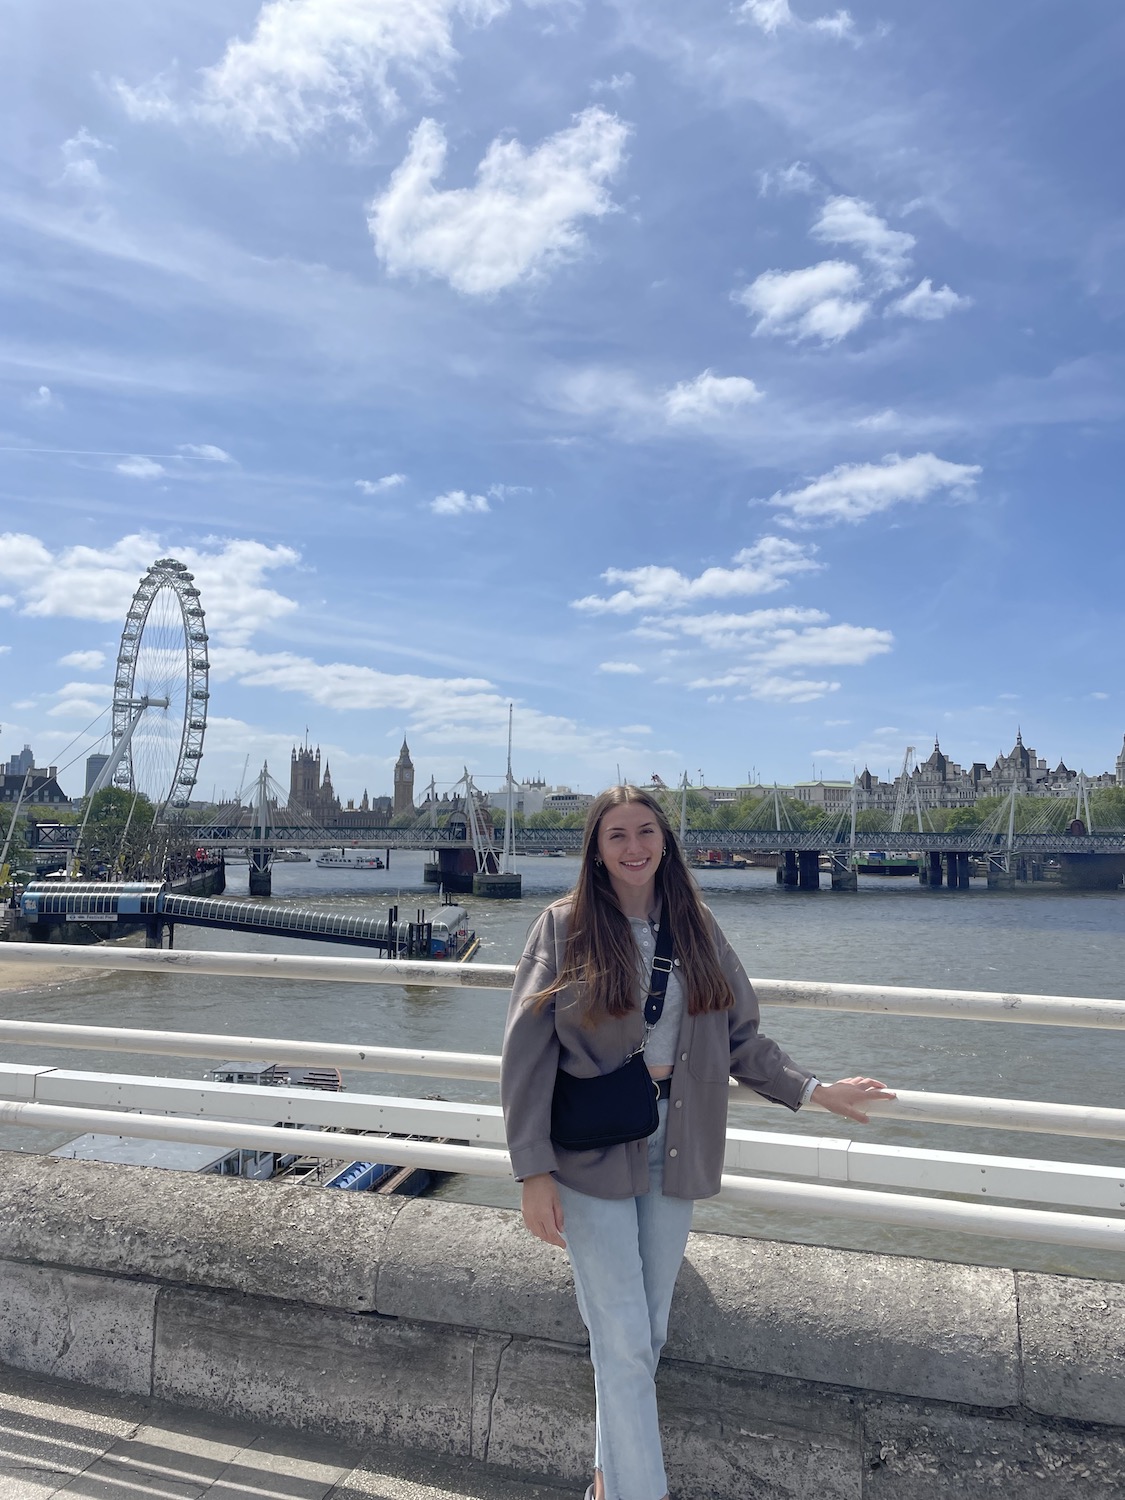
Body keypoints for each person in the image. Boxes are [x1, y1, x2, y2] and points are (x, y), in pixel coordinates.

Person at [500, 785, 894, 1500]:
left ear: (665, 841)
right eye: (615, 834)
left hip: (676, 1139)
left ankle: (604, 1478)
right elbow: (524, 1057)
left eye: (645, 831)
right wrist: (532, 1170)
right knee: (620, 1337)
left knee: (643, 1332)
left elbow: (740, 1037)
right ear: (594, 848)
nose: (632, 847)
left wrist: (816, 1090)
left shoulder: (698, 927)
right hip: (587, 1149)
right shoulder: (561, 928)